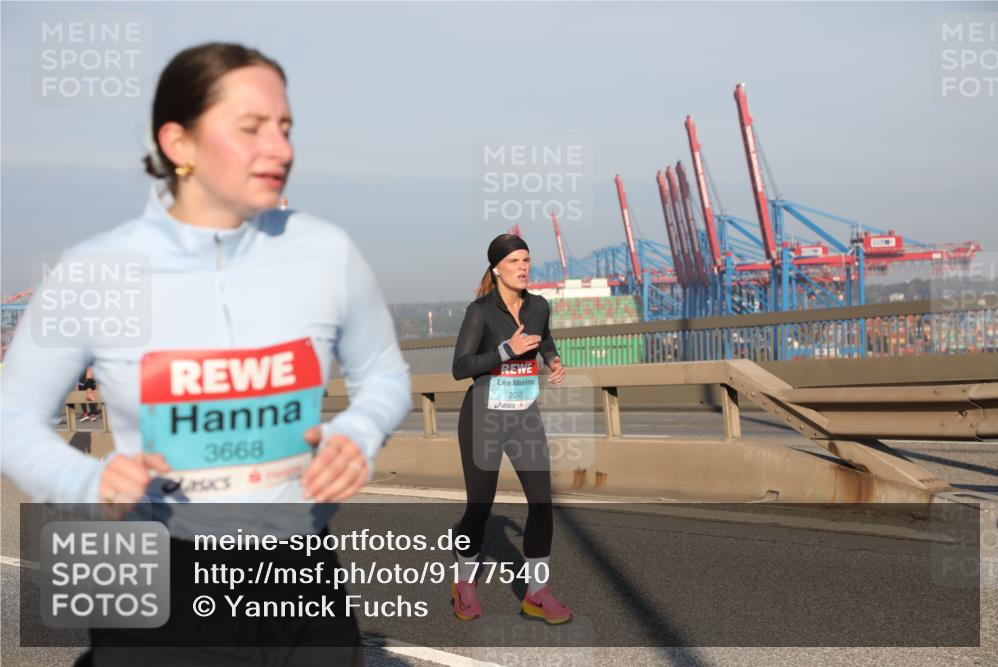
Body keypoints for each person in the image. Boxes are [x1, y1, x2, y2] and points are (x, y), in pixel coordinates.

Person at [0, 43, 411, 665]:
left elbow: (383, 373)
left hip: (300, 578)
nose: (281, 148)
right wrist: (89, 484)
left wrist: (357, 431)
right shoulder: (99, 271)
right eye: (251, 128)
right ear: (178, 144)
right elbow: (12, 418)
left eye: (285, 127)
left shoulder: (326, 252)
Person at [450, 233, 572, 624]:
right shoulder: (480, 311)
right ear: (497, 268)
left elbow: (544, 338)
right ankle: (464, 582)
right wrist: (506, 350)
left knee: (541, 503)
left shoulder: (538, 306)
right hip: (483, 416)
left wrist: (552, 359)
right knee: (480, 508)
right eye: (515, 261)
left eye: (527, 260)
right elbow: (460, 367)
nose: (523, 267)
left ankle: (536, 593)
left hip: (524, 414)